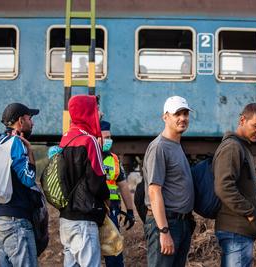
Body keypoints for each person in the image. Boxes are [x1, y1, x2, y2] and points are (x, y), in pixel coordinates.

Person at [213, 103, 256, 267]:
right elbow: (223, 186)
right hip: (235, 231)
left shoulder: (241, 146)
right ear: (242, 120)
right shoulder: (232, 147)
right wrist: (249, 211)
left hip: (240, 231)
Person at [143, 95, 195, 267]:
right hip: (167, 224)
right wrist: (163, 231)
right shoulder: (159, 147)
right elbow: (154, 191)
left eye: (185, 114)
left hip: (181, 223)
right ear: (165, 117)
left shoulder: (176, 145)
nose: (183, 118)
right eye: (177, 114)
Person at [58, 94, 110, 267]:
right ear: (86, 112)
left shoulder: (65, 139)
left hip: (66, 220)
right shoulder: (89, 141)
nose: (100, 114)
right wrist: (106, 201)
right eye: (96, 109)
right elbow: (98, 183)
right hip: (84, 221)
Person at [0, 103, 39, 266]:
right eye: (29, 119)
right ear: (21, 120)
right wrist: (31, 154)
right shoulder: (16, 142)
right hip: (16, 221)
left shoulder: (0, 142)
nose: (32, 123)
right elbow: (28, 179)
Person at [100, 120, 135, 267]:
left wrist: (130, 210)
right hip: (94, 209)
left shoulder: (114, 159)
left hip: (112, 210)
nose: (108, 140)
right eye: (105, 137)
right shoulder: (88, 155)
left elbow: (123, 186)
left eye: (110, 137)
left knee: (114, 252)